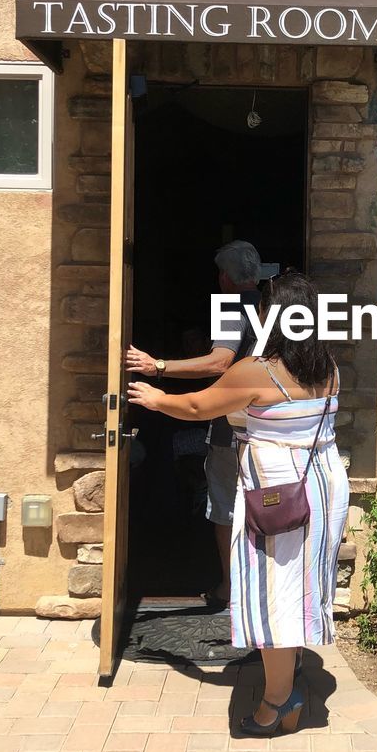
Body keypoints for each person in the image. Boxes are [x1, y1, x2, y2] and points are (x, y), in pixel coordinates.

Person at [128, 271, 347, 737]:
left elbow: (195, 408)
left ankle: (278, 699)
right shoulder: (326, 364)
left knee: (274, 593)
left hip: (278, 495)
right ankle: (291, 675)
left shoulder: (258, 370)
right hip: (323, 489)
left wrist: (154, 396)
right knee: (301, 586)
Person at [126, 240, 263, 608]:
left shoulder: (232, 307)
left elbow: (220, 362)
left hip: (231, 428)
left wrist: (159, 366)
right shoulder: (272, 308)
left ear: (224, 276)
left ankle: (230, 588)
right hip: (268, 425)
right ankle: (260, 591)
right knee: (265, 509)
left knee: (226, 507)